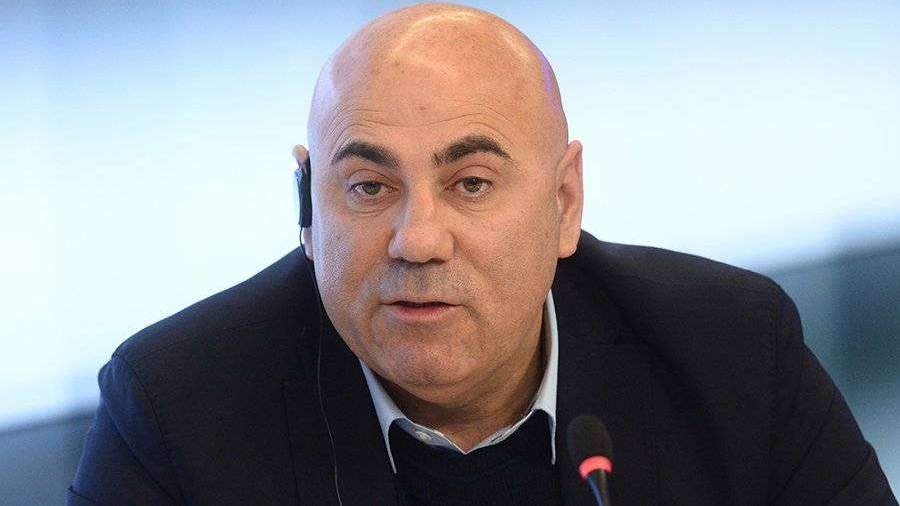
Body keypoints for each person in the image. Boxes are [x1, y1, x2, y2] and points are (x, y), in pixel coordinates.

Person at [68, 4, 896, 505]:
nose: (418, 240)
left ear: (564, 201)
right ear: (308, 210)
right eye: (368, 187)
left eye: (470, 184)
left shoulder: (732, 350)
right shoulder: (175, 412)